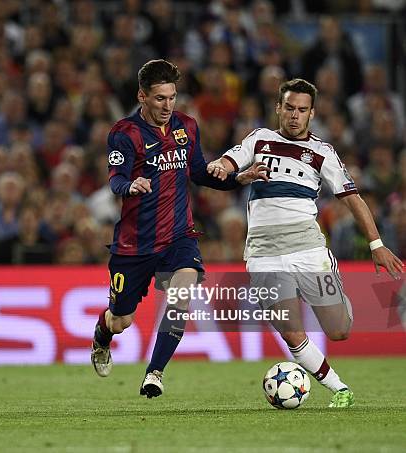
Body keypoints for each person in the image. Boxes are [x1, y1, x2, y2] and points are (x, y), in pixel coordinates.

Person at [208, 78, 403, 408]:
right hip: (263, 253)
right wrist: (220, 167)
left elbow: (353, 200)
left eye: (302, 110)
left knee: (339, 330)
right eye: (289, 108)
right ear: (278, 108)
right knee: (291, 331)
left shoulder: (322, 153)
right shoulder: (259, 139)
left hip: (308, 249)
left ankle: (332, 282)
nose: (294, 115)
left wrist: (376, 244)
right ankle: (339, 389)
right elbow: (229, 163)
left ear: (312, 114)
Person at [90, 59, 268, 398]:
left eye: (171, 97)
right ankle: (102, 335)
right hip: (135, 244)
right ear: (142, 96)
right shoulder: (123, 134)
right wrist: (131, 186)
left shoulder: (187, 126)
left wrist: (237, 179)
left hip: (178, 236)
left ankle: (154, 373)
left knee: (182, 296)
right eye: (159, 99)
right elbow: (115, 181)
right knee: (121, 321)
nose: (167, 106)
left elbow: (199, 173)